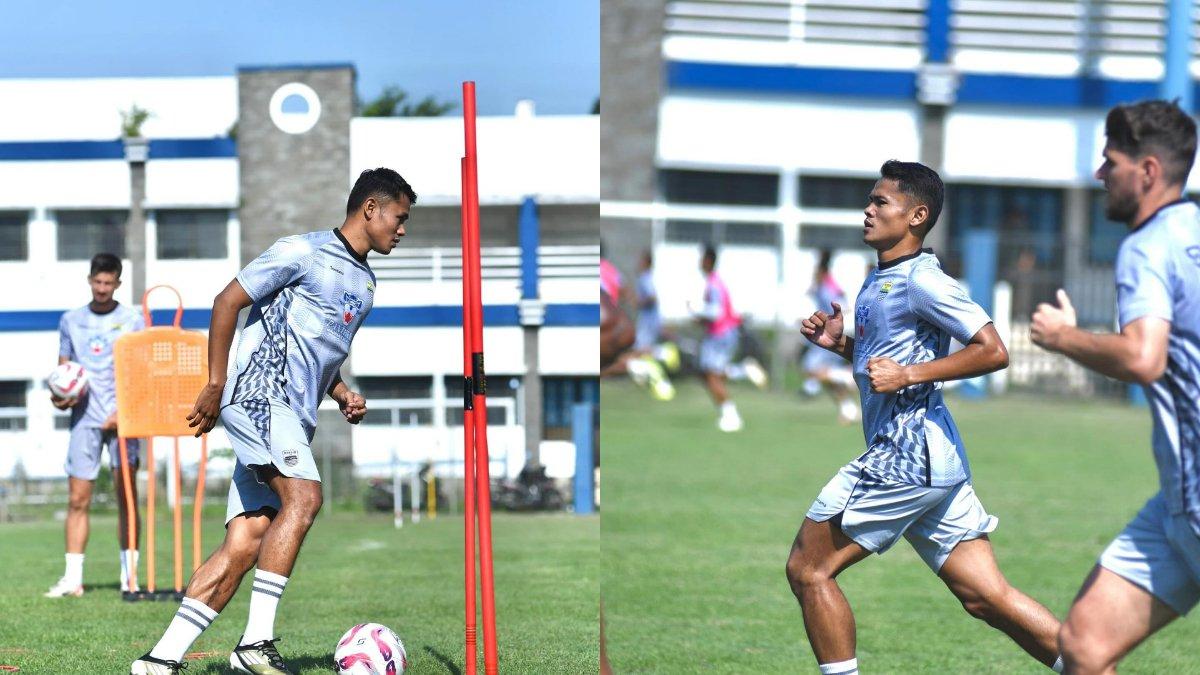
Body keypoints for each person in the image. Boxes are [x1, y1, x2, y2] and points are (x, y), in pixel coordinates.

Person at [131, 168, 416, 675]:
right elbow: (227, 301)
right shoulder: (302, 252)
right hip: (259, 397)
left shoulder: (365, 283)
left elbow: (317, 352)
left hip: (292, 417)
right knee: (304, 498)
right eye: (399, 217)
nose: (402, 229)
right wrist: (216, 383)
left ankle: (159, 660)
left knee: (246, 541)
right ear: (370, 208)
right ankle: (254, 644)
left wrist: (342, 392)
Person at [788, 160, 1063, 675]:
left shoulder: (923, 280)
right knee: (987, 597)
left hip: (903, 459)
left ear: (916, 216)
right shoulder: (881, 277)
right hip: (935, 461)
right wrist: (841, 346)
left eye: (880, 202)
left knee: (809, 569)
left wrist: (910, 374)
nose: (868, 210)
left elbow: (993, 350)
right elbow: (885, 365)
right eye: (870, 200)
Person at [1030, 100, 1200, 675]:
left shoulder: (1147, 245)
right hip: (1176, 503)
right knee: (1084, 645)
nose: (1100, 173)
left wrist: (1063, 337)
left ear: (1147, 171)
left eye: (1111, 162)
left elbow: (1143, 357)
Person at [44, 253, 145, 598]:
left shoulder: (133, 320)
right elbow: (63, 373)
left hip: (123, 419)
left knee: (126, 498)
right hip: (84, 420)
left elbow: (140, 373)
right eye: (97, 282)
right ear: (90, 280)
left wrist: (124, 411)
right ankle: (72, 580)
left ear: (118, 283)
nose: (102, 288)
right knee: (77, 499)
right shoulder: (70, 320)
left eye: (108, 283)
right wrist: (60, 397)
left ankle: (130, 577)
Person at [691, 244, 745, 432]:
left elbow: (716, 312)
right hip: (724, 332)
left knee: (711, 375)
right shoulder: (715, 282)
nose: (699, 262)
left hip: (720, 334)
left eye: (701, 259)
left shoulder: (713, 284)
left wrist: (696, 312)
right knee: (707, 374)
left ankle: (731, 416)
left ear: (708, 260)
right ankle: (740, 371)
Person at [801, 250, 859, 424]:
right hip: (823, 333)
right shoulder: (823, 286)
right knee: (826, 379)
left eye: (815, 272)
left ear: (821, 272)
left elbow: (842, 306)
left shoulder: (828, 288)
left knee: (812, 370)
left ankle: (846, 376)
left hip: (829, 334)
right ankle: (849, 409)